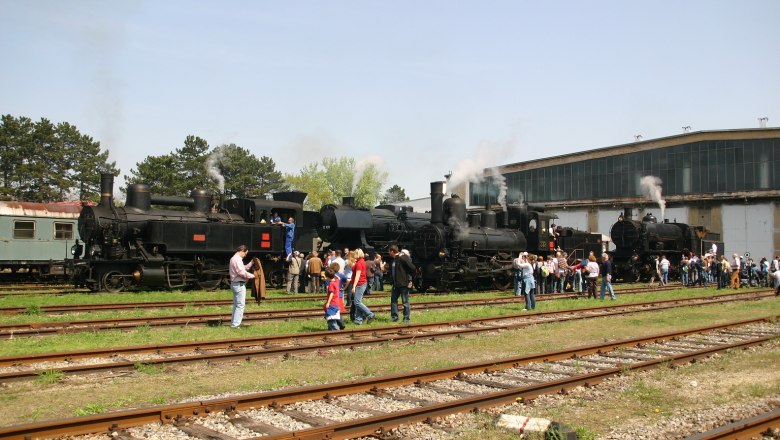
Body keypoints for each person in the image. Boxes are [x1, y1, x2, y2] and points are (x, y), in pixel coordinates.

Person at [229, 245, 255, 329]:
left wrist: (251, 263)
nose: (245, 255)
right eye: (245, 253)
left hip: (236, 284)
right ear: (242, 251)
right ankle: (235, 325)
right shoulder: (237, 259)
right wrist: (253, 276)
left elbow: (243, 268)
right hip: (239, 284)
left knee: (236, 305)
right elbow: (241, 272)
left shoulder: (235, 259)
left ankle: (234, 323)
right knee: (240, 305)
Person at [389, 244, 416, 323]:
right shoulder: (393, 261)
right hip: (396, 284)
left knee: (405, 302)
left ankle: (406, 318)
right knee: (393, 300)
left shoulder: (403, 258)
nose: (388, 253)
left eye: (389, 251)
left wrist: (410, 280)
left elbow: (413, 268)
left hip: (404, 284)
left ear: (392, 251)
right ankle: (394, 317)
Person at [348, 249, 375, 325]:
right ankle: (358, 320)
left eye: (355, 253)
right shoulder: (361, 261)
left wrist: (353, 286)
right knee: (358, 301)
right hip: (361, 283)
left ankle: (370, 314)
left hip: (360, 284)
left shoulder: (360, 263)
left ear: (357, 254)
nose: (354, 255)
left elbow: (358, 275)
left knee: (357, 302)